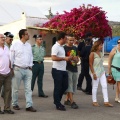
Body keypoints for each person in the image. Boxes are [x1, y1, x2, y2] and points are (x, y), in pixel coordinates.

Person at [10, 29, 36, 112]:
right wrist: (11, 68)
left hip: (28, 70)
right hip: (18, 69)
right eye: (27, 34)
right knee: (15, 88)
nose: (28, 35)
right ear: (22, 36)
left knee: (28, 89)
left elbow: (31, 56)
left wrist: (31, 66)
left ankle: (29, 105)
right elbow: (11, 57)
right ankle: (15, 104)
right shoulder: (15, 45)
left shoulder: (28, 45)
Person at [51, 32, 72, 111]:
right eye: (65, 38)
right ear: (61, 38)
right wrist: (64, 58)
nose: (66, 40)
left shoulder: (62, 47)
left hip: (63, 70)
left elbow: (62, 57)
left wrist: (68, 58)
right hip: (57, 70)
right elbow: (53, 58)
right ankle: (57, 103)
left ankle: (57, 100)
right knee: (58, 87)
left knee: (65, 86)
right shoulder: (55, 47)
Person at [89, 40, 113, 107]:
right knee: (95, 86)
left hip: (102, 71)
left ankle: (106, 101)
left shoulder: (101, 53)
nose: (101, 46)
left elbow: (101, 64)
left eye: (102, 45)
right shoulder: (92, 54)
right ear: (96, 46)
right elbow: (90, 64)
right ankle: (94, 101)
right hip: (95, 71)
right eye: (100, 45)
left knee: (104, 86)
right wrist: (93, 73)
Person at [0, 33, 14, 114]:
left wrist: (11, 69)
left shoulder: (6, 48)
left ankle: (7, 108)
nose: (3, 39)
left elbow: (9, 59)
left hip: (8, 73)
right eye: (1, 37)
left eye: (4, 37)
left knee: (8, 91)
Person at [64, 36, 79, 109]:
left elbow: (77, 58)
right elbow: (63, 58)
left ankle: (66, 99)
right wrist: (69, 58)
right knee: (69, 85)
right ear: (67, 40)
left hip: (74, 68)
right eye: (70, 40)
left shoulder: (75, 48)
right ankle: (72, 101)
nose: (72, 42)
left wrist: (76, 60)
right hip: (67, 68)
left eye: (73, 40)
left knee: (73, 85)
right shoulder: (64, 48)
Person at [108, 38, 120, 103]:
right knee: (119, 82)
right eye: (118, 42)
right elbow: (109, 59)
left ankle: (117, 97)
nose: (119, 44)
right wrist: (109, 69)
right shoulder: (114, 50)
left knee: (118, 83)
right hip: (115, 69)